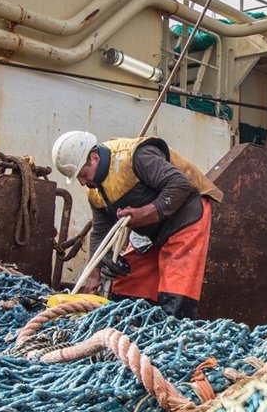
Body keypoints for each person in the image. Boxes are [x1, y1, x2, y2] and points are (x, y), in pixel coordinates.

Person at [51, 131, 223, 318]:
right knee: (126, 286)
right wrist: (94, 274)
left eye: (83, 174)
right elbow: (101, 232)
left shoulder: (136, 157)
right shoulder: (94, 190)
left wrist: (146, 213)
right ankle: (131, 327)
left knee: (176, 291)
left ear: (94, 157)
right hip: (151, 231)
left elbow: (180, 185)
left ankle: (173, 328)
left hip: (185, 216)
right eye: (78, 178)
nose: (83, 182)